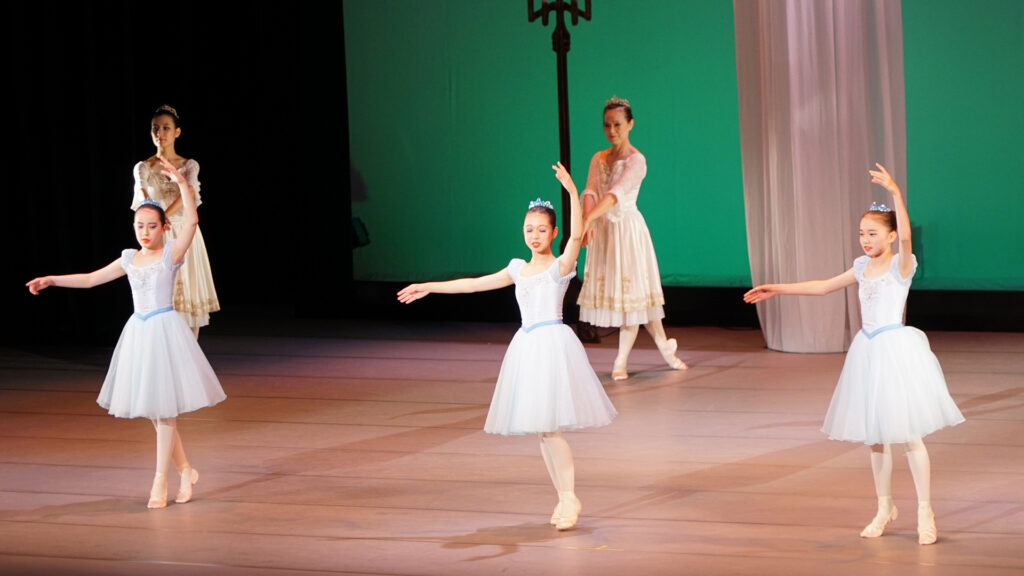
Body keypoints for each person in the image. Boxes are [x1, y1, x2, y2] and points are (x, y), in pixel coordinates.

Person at [744, 164, 964, 545]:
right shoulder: (862, 267)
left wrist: (895, 191)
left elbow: (908, 235)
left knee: (909, 435)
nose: (865, 240)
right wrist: (776, 288)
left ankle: (924, 510)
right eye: (861, 233)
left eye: (873, 233)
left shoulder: (901, 264)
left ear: (890, 236)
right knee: (876, 438)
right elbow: (823, 286)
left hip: (895, 352)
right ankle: (884, 507)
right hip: (867, 352)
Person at [397, 162, 616, 530]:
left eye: (542, 229)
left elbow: (578, 234)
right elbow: (473, 284)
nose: (535, 235)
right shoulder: (517, 268)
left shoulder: (560, 267)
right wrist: (429, 287)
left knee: (550, 429)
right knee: (543, 431)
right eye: (529, 229)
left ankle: (569, 497)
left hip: (552, 347)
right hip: (528, 347)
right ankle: (564, 496)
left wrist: (571, 190)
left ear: (553, 232)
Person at [27, 156, 226, 509]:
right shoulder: (128, 259)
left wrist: (182, 184)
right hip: (139, 334)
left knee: (165, 412)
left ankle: (160, 481)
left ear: (164, 228)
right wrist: (52, 280)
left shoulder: (171, 255)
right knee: (156, 413)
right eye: (139, 226)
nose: (144, 232)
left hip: (165, 333)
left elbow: (193, 220)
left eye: (151, 226)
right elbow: (91, 279)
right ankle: (186, 470)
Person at [577, 96, 685, 380]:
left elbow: (615, 195)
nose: (612, 130)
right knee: (639, 300)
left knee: (632, 298)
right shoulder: (598, 157)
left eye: (617, 124)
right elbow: (590, 191)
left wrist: (589, 219)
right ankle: (665, 348)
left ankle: (620, 362)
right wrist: (588, 218)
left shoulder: (637, 160)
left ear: (630, 124)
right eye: (607, 125)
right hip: (606, 233)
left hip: (627, 232)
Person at [132, 105, 219, 337]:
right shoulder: (143, 167)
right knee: (161, 298)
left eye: (166, 128)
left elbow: (188, 191)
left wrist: (165, 215)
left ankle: (188, 354)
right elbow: (143, 199)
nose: (160, 133)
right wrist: (156, 220)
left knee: (189, 297)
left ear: (177, 132)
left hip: (184, 233)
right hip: (160, 236)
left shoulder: (189, 165)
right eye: (155, 128)